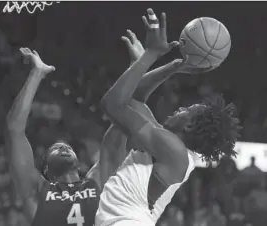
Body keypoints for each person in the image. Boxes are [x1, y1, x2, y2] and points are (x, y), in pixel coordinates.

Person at [96, 8, 241, 226]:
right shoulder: (169, 146)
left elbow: (113, 104)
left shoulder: (172, 149)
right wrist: (172, 67)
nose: (179, 109)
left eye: (186, 109)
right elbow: (134, 100)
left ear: (190, 126)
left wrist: (150, 55)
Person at [5, 48, 128, 226]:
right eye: (55, 148)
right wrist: (36, 74)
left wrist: (139, 64)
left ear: (79, 164)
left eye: (67, 147)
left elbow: (122, 122)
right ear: (46, 170)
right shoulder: (38, 190)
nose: (63, 147)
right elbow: (13, 130)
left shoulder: (96, 181)